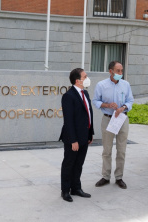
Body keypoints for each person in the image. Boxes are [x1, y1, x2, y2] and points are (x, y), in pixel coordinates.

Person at [93, 61, 134, 189]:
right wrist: (107, 105)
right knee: (107, 150)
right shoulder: (101, 85)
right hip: (108, 119)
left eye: (121, 71)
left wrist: (123, 107)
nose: (120, 73)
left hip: (122, 119)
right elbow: (95, 101)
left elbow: (130, 100)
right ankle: (105, 176)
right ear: (111, 71)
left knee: (121, 150)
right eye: (118, 71)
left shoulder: (126, 85)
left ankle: (119, 177)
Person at [59, 68, 94, 202]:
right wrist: (73, 140)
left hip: (84, 136)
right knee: (69, 164)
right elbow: (68, 120)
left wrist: (90, 134)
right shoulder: (69, 96)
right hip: (72, 138)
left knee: (79, 163)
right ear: (77, 80)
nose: (87, 78)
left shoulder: (85, 93)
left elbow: (88, 115)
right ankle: (65, 190)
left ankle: (76, 188)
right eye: (85, 77)